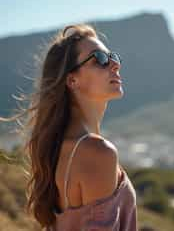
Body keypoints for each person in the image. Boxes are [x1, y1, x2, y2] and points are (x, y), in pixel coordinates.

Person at [1, 24, 138, 230]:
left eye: (113, 57)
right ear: (72, 80)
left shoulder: (60, 148)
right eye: (100, 59)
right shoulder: (97, 153)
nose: (114, 65)